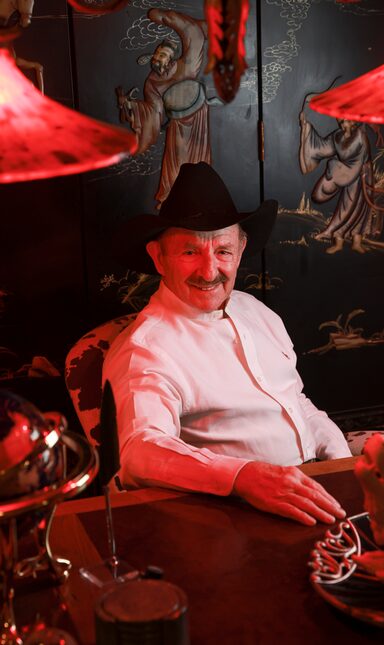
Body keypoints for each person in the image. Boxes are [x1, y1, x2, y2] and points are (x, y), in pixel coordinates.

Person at [104, 162, 352, 526]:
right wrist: (243, 477)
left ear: (241, 250)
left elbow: (295, 402)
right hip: (235, 513)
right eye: (189, 252)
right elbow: (140, 451)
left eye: (222, 251)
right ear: (158, 257)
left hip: (313, 487)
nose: (209, 271)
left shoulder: (257, 311)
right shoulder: (146, 348)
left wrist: (343, 465)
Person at [117, 8, 211, 207]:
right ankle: (171, 198)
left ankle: (201, 194)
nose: (159, 59)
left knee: (199, 159)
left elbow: (193, 37)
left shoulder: (185, 66)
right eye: (158, 55)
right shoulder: (152, 81)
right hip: (177, 123)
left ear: (171, 59)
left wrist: (166, 18)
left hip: (197, 118)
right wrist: (132, 106)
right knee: (176, 159)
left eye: (164, 56)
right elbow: (154, 111)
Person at [299, 111, 374, 254]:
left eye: (345, 119)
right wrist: (306, 126)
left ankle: (357, 242)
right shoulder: (337, 136)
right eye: (341, 119)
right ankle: (338, 240)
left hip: (361, 176)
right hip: (345, 176)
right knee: (345, 207)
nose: (342, 121)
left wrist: (364, 172)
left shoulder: (360, 134)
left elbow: (366, 155)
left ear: (352, 120)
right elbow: (320, 147)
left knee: (361, 210)